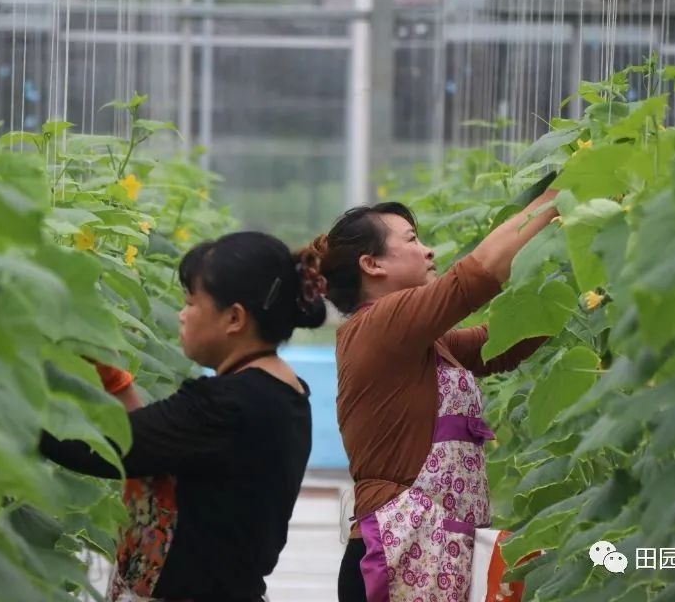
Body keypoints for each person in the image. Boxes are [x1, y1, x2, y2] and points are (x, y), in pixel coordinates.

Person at [39, 231, 327, 602]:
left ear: (234, 318)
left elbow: (104, 450)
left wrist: (15, 400)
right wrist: (117, 385)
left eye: (191, 302)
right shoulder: (282, 393)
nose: (181, 314)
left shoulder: (229, 404)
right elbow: (152, 450)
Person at [302, 188, 559, 602]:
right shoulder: (380, 324)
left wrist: (575, 285)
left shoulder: (423, 343)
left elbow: (501, 345)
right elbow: (473, 279)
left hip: (433, 552)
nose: (427, 250)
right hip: (397, 556)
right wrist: (556, 197)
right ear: (372, 264)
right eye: (411, 240)